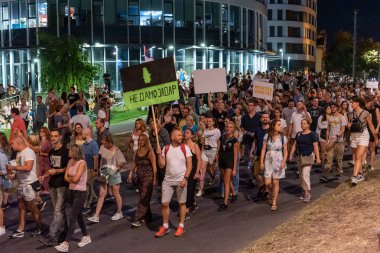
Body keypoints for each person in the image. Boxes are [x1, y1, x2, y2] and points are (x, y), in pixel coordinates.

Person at [155, 129, 192, 238]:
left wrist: (185, 178)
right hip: (168, 180)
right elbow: (162, 165)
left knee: (181, 203)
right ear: (172, 137)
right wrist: (158, 155)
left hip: (181, 180)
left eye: (182, 135)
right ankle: (165, 226)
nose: (182, 136)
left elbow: (189, 165)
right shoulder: (166, 149)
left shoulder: (185, 148)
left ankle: (181, 226)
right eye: (179, 135)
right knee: (164, 203)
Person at [55, 145, 91, 252]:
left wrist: (71, 178)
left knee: (72, 217)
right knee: (78, 215)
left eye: (71, 150)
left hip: (80, 193)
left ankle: (66, 243)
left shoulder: (82, 163)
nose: (69, 151)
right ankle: (86, 236)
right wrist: (72, 179)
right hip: (71, 192)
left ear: (76, 151)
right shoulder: (70, 161)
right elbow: (66, 178)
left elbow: (75, 179)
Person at [6, 136, 42, 238]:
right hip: (22, 184)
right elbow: (20, 169)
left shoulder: (28, 152)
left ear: (18, 143)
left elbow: (28, 167)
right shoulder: (19, 154)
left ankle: (40, 227)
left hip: (30, 184)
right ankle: (20, 230)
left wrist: (12, 167)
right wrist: (14, 175)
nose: (11, 145)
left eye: (12, 143)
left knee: (32, 207)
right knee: (21, 206)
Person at [39, 129, 69, 246]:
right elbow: (51, 168)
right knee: (59, 212)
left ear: (60, 137)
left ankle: (52, 236)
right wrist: (45, 175)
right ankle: (65, 232)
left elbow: (68, 168)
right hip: (52, 185)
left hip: (62, 185)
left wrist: (57, 171)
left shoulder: (65, 151)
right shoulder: (51, 152)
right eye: (51, 136)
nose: (53, 138)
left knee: (58, 212)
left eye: (56, 136)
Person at [88, 134, 126, 223]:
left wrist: (116, 169)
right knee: (102, 194)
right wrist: (99, 170)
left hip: (113, 173)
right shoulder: (102, 147)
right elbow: (101, 159)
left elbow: (122, 162)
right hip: (104, 172)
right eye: (103, 143)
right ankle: (96, 216)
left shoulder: (116, 150)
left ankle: (119, 212)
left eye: (105, 143)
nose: (103, 145)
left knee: (116, 193)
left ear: (109, 142)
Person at [127, 134, 157, 227]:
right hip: (139, 178)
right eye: (139, 140)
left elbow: (154, 167)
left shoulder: (150, 152)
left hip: (148, 178)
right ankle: (148, 216)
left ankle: (138, 218)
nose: (140, 141)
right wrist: (130, 174)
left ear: (146, 141)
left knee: (143, 197)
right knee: (144, 197)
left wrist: (154, 179)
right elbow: (134, 164)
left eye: (143, 140)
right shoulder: (136, 152)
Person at [348, 96, 378, 186]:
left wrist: (376, 138)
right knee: (357, 157)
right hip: (353, 136)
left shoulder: (366, 113)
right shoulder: (350, 114)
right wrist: (349, 126)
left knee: (358, 157)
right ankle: (360, 174)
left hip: (363, 136)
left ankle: (354, 176)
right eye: (350, 102)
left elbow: (371, 126)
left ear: (357, 103)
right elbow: (349, 126)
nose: (351, 104)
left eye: (352, 102)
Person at [289, 119, 321, 203]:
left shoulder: (312, 134)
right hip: (300, 157)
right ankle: (305, 191)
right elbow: (294, 145)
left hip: (309, 156)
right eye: (301, 123)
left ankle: (307, 193)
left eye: (304, 123)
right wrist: (291, 154)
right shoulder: (298, 134)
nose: (302, 125)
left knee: (305, 174)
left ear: (308, 125)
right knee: (301, 176)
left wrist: (318, 158)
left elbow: (316, 147)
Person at [260, 120, 288, 211]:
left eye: (281, 125)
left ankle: (274, 201)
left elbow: (285, 151)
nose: (281, 126)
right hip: (268, 160)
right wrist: (261, 162)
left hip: (278, 161)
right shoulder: (267, 136)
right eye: (279, 125)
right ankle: (272, 194)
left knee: (276, 182)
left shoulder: (283, 138)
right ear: (273, 126)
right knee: (267, 183)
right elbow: (263, 149)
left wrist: (284, 161)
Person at [320, 102, 346, 182]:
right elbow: (327, 129)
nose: (332, 108)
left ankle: (338, 172)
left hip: (339, 141)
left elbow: (343, 129)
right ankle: (325, 176)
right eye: (331, 107)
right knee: (328, 159)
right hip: (331, 142)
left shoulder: (342, 117)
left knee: (339, 159)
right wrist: (327, 140)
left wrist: (337, 135)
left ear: (337, 108)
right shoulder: (329, 117)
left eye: (334, 107)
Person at [217, 121, 239, 211]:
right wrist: (217, 160)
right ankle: (234, 193)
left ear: (233, 129)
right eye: (227, 127)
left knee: (226, 182)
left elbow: (235, 155)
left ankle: (225, 203)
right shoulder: (221, 138)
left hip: (229, 162)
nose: (228, 129)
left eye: (230, 127)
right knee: (226, 179)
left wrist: (234, 168)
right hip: (222, 160)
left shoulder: (235, 141)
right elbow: (219, 150)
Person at [249, 112, 271, 198]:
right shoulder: (257, 129)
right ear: (261, 119)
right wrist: (251, 151)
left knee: (267, 174)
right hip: (258, 154)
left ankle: (267, 192)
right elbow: (255, 142)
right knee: (255, 173)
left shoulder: (271, 130)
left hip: (269, 155)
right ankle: (263, 186)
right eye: (263, 117)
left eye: (266, 117)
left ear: (269, 119)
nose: (265, 118)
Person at [198, 116, 221, 196]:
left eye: (210, 121)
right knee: (202, 170)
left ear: (213, 122)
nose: (208, 122)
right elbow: (203, 143)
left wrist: (217, 153)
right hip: (205, 151)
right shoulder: (205, 131)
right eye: (207, 121)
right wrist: (201, 153)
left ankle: (215, 176)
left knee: (213, 168)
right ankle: (201, 189)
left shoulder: (217, 131)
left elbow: (218, 142)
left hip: (213, 150)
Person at [183, 129, 201, 218]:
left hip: (193, 171)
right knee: (186, 190)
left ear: (192, 135)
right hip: (184, 171)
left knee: (189, 190)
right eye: (184, 132)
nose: (185, 134)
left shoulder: (195, 146)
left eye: (187, 132)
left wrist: (197, 172)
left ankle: (186, 211)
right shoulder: (182, 146)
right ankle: (193, 203)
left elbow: (199, 160)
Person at [82, 128, 99, 214]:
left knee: (87, 186)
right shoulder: (84, 145)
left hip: (91, 169)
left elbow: (96, 158)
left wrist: (95, 170)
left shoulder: (93, 144)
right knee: (89, 186)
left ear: (87, 133)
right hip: (86, 169)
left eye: (82, 133)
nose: (81, 134)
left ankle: (87, 205)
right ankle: (95, 198)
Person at [364, 96, 380, 171]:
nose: (367, 103)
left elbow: (378, 120)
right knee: (365, 148)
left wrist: (377, 129)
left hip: (373, 130)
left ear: (371, 102)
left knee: (372, 148)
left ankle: (371, 164)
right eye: (366, 102)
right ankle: (364, 162)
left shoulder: (375, 109)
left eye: (368, 102)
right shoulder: (364, 110)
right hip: (365, 130)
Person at [317, 105, 331, 170]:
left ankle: (328, 166)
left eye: (330, 108)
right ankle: (322, 165)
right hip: (323, 136)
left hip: (330, 136)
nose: (329, 110)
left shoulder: (332, 117)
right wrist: (326, 127)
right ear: (325, 109)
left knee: (329, 152)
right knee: (323, 151)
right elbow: (319, 126)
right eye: (328, 108)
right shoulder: (321, 117)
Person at [38, 127, 52, 195]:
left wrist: (42, 153)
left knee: (46, 174)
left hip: (46, 161)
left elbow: (50, 153)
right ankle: (42, 189)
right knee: (40, 173)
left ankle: (47, 190)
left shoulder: (48, 142)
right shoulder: (41, 141)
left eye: (43, 131)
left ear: (46, 132)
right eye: (40, 131)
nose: (41, 132)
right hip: (41, 160)